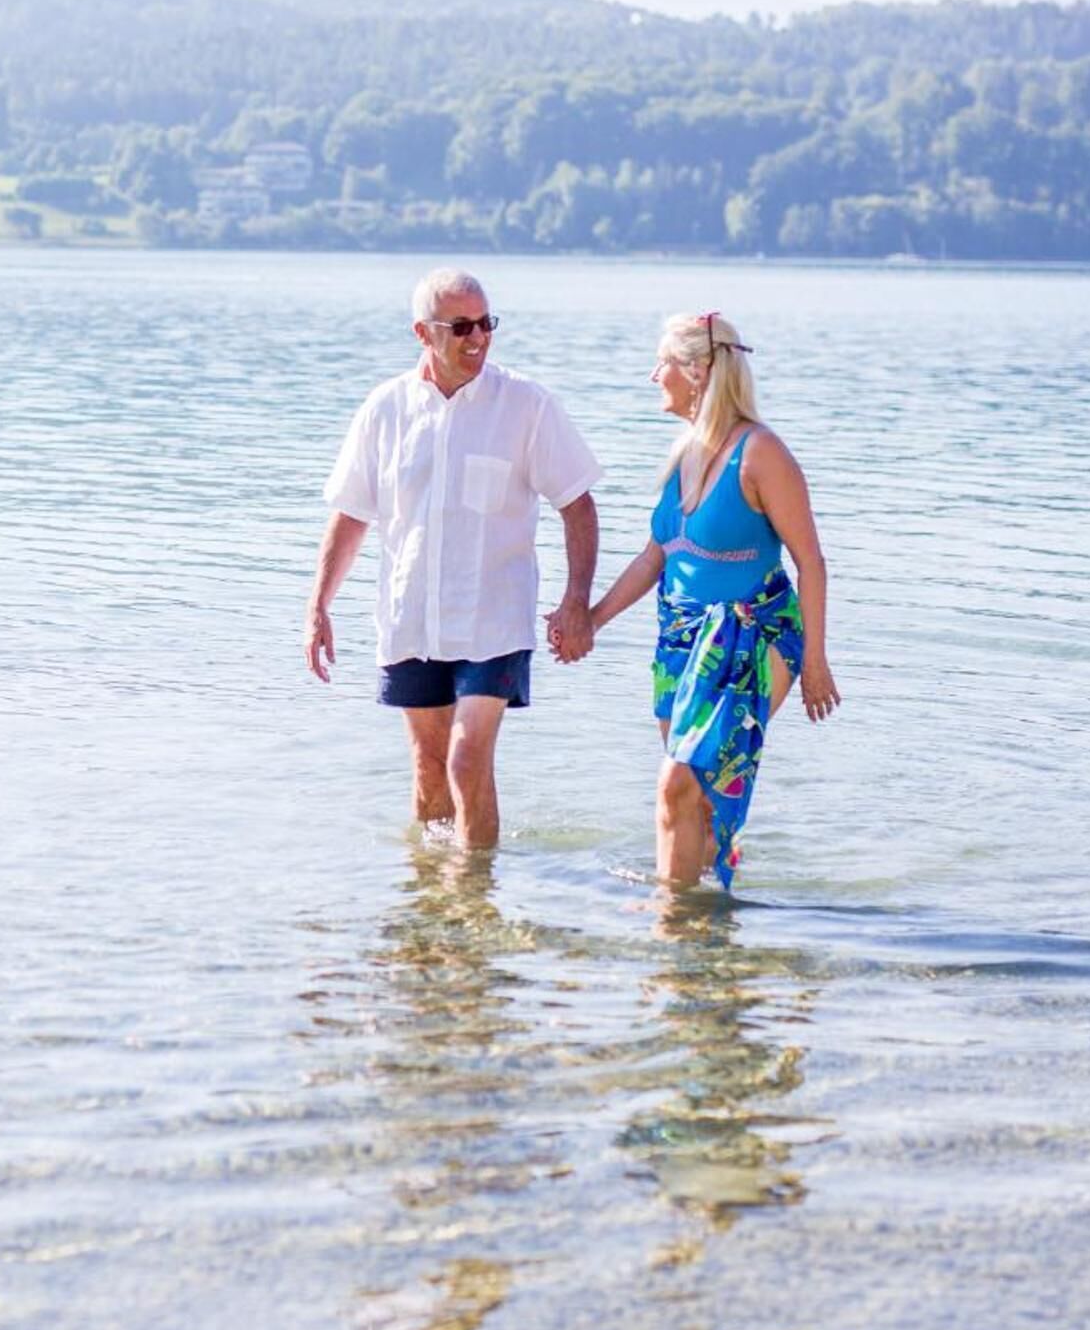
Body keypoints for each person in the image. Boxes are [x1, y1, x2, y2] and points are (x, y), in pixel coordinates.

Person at [308, 268, 602, 851]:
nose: (479, 338)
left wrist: (577, 602)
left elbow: (578, 505)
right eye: (461, 326)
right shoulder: (385, 409)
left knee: (467, 759)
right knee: (428, 771)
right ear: (424, 332)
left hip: (494, 621)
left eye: (487, 323)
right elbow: (351, 513)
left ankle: (474, 901)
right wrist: (318, 606)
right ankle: (436, 913)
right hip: (410, 619)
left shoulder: (526, 405)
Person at [573, 310, 839, 889]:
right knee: (696, 795)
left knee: (677, 783)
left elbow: (810, 561)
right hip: (681, 640)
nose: (653, 377)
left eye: (662, 364)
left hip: (748, 635)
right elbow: (654, 557)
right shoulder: (685, 451)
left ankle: (673, 920)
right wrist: (592, 619)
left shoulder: (761, 452)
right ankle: (705, 929)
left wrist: (816, 661)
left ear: (696, 371)